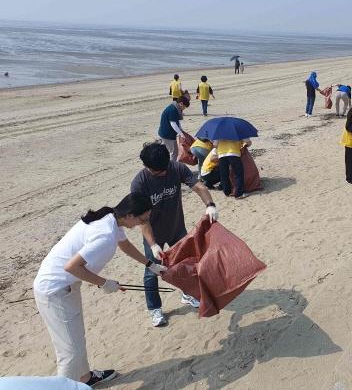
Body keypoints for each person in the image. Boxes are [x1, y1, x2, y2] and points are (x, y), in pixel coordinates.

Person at [33, 193, 166, 386]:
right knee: (70, 350)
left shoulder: (112, 218)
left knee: (76, 338)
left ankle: (85, 378)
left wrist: (150, 265)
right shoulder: (104, 234)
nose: (143, 223)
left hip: (67, 287)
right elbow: (71, 267)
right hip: (54, 290)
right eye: (142, 219)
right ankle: (65, 386)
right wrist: (104, 283)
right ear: (129, 215)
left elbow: (125, 245)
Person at [130, 142, 218, 326]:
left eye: (164, 170)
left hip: (177, 228)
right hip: (154, 233)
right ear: (146, 166)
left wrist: (210, 205)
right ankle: (155, 309)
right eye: (157, 172)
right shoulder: (139, 183)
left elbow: (198, 186)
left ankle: (187, 294)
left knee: (186, 263)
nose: (162, 174)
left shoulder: (176, 167)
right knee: (151, 271)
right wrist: (153, 244)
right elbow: (142, 220)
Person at [157, 96, 190, 162]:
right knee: (174, 152)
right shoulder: (173, 110)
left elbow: (177, 122)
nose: (183, 109)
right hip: (167, 135)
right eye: (184, 107)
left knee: (167, 151)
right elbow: (173, 124)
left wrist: (181, 131)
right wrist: (181, 134)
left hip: (164, 133)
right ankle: (172, 168)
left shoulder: (174, 107)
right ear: (181, 103)